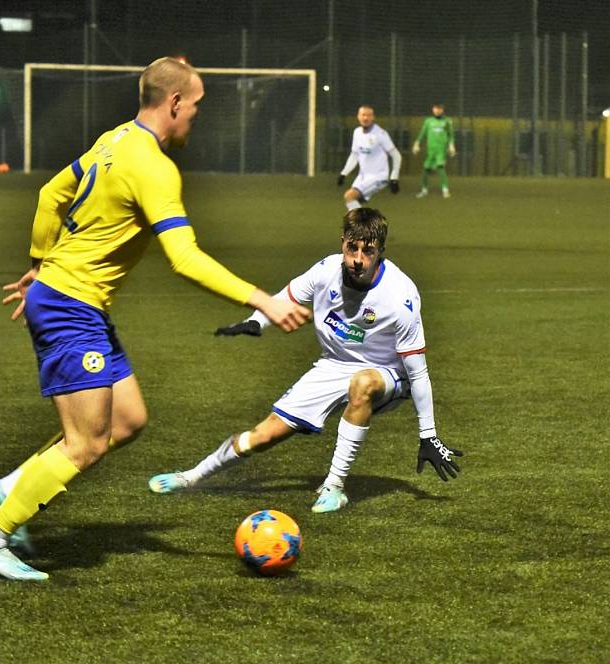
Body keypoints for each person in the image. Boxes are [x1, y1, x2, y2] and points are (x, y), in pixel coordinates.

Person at [0, 57, 310, 581]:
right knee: (87, 443)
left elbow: (49, 195)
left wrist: (40, 262)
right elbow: (185, 258)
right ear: (174, 103)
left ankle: (13, 487)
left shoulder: (114, 139)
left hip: (74, 300)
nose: (196, 116)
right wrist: (263, 299)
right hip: (69, 308)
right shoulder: (154, 166)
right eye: (195, 106)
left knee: (128, 420)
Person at [149, 207, 462, 513]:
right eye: (351, 248)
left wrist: (428, 435)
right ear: (342, 241)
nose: (357, 259)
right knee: (261, 437)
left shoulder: (400, 296)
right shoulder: (325, 271)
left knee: (363, 384)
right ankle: (190, 477)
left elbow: (418, 372)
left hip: (387, 374)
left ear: (381, 250)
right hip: (331, 366)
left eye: (368, 251)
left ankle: (334, 488)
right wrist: (256, 322)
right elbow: (286, 297)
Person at [337, 106, 401, 211]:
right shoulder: (357, 132)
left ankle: (363, 225)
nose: (365, 118)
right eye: (363, 115)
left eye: (369, 115)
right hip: (362, 177)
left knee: (349, 196)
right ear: (358, 117)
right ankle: (363, 226)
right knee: (352, 202)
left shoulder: (380, 134)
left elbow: (396, 155)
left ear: (373, 117)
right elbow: (355, 155)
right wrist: (344, 173)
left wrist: (394, 178)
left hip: (378, 177)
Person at [412, 103, 456, 199]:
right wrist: (417, 143)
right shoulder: (428, 121)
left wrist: (451, 145)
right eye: (435, 109)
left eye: (439, 109)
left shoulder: (447, 121)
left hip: (441, 149)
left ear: (442, 110)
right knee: (426, 169)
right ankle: (424, 190)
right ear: (433, 109)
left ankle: (445, 190)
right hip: (430, 150)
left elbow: (451, 135)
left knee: (440, 167)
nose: (437, 111)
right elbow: (422, 133)